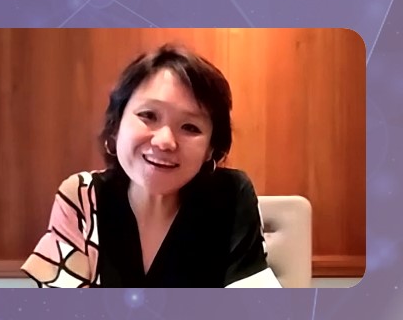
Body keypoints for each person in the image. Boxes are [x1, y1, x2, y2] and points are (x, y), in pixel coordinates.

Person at [22, 45, 280, 288]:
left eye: (190, 127)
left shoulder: (231, 195)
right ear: (116, 124)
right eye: (148, 116)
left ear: (211, 149)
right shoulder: (83, 196)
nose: (165, 141)